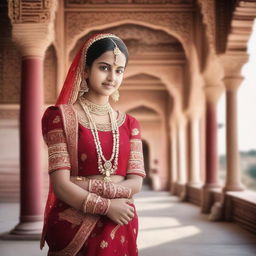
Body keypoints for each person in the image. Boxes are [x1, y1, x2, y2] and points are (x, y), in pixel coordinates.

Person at [40, 33, 146, 256]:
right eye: (104, 67)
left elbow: (136, 182)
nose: (112, 77)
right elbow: (60, 185)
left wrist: (86, 185)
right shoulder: (59, 117)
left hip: (120, 221)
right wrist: (108, 206)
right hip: (75, 221)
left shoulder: (130, 124)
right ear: (85, 70)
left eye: (119, 71)